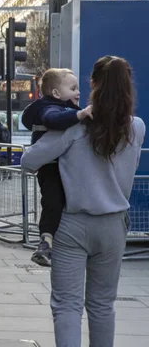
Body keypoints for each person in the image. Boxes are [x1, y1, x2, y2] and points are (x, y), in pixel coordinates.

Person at [21, 56, 145, 347]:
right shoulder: (136, 127)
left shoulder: (74, 128)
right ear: (128, 87)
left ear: (92, 84)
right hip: (114, 225)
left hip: (72, 225)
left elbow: (29, 161)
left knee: (67, 305)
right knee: (103, 305)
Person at [21, 68, 93, 267]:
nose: (78, 92)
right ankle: (46, 242)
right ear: (56, 94)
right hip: (52, 167)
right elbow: (53, 120)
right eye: (72, 88)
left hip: (56, 166)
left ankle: (48, 240)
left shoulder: (55, 105)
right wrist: (79, 115)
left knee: (55, 202)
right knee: (53, 202)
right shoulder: (51, 108)